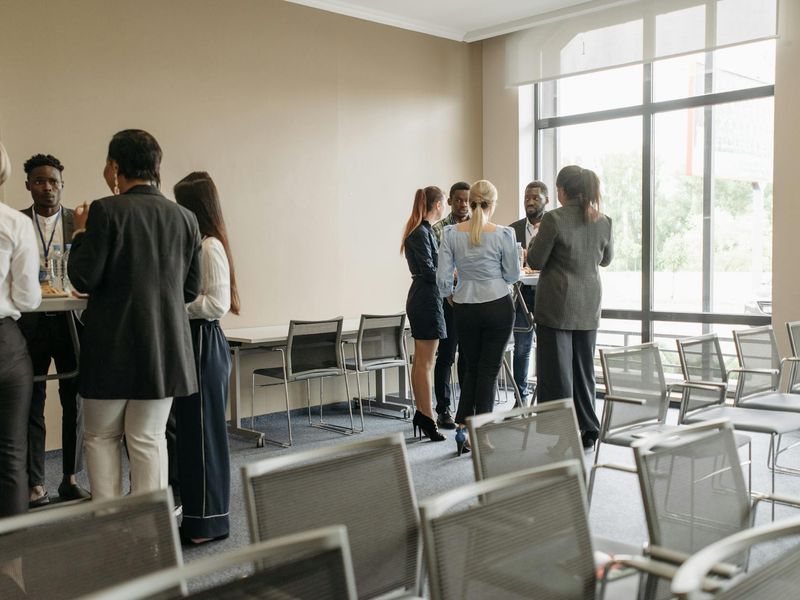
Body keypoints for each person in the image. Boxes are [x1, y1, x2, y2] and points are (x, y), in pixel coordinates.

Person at [68, 129, 202, 500]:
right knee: (148, 439)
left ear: (114, 167)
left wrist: (79, 233)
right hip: (163, 349)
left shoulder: (104, 210)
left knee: (101, 438)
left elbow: (83, 276)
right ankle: (149, 532)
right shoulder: (186, 218)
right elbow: (190, 290)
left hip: (111, 346)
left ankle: (108, 522)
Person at [17, 154, 90, 507]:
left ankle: (70, 478)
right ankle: (35, 484)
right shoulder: (15, 223)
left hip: (69, 324)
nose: (48, 188)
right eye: (40, 181)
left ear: (63, 185)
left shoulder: (79, 224)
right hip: (28, 324)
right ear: (28, 184)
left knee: (73, 400)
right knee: (32, 402)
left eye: (54, 182)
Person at [173, 172, 239, 545]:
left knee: (203, 436)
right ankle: (198, 519)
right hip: (192, 341)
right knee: (192, 435)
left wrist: (172, 306)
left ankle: (208, 524)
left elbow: (217, 303)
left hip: (203, 341)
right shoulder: (195, 242)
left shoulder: (209, 246)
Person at [528, 165, 613, 450]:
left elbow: (537, 261)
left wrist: (531, 247)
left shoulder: (554, 219)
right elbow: (606, 260)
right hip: (589, 305)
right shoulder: (603, 220)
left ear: (562, 191)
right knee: (584, 370)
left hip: (556, 306)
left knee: (558, 374)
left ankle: (565, 435)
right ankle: (589, 428)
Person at [437, 180, 519, 455]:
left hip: (465, 307)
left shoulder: (450, 233)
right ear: (492, 204)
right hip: (497, 305)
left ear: (470, 202)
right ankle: (481, 434)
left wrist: (450, 293)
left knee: (471, 368)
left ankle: (462, 427)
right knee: (488, 371)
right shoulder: (503, 234)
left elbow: (443, 277)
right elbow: (512, 275)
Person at [0, 142, 42, 518]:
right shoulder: (15, 223)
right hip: (5, 345)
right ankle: (12, 566)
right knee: (12, 453)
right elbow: (29, 300)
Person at [401, 186, 446, 442]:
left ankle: (423, 414)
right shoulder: (422, 232)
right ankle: (428, 417)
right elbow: (430, 271)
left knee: (421, 361)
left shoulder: (420, 230)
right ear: (438, 204)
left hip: (423, 296)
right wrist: (450, 275)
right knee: (425, 363)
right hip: (426, 298)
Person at [431, 182, 470, 429]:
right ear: (450, 202)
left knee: (467, 356)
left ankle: (466, 409)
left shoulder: (476, 227)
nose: (463, 204)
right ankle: (443, 409)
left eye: (467, 200)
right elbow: (440, 267)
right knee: (446, 356)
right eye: (458, 200)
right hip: (448, 300)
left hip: (471, 300)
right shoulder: (439, 230)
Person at [508, 181, 549, 405]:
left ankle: (545, 396)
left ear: (546, 200)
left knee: (546, 347)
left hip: (546, 294)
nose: (530, 202)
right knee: (521, 347)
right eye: (526, 198)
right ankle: (520, 396)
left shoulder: (553, 227)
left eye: (535, 197)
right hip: (522, 294)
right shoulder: (512, 229)